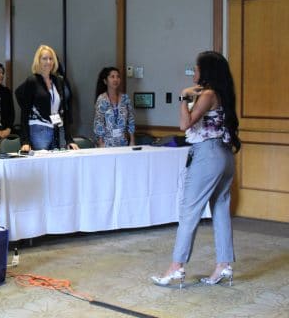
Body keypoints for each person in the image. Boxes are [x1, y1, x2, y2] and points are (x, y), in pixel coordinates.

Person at [151, 51, 241, 288]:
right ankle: (224, 264)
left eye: (196, 68)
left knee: (189, 212)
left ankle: (176, 267)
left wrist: (182, 97)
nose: (194, 72)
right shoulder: (221, 94)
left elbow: (184, 124)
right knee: (220, 208)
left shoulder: (208, 94)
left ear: (206, 71)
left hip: (207, 155)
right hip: (224, 154)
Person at [16, 45, 78, 151]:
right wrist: (25, 141)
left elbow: (65, 111)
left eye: (51, 59)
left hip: (58, 129)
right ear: (38, 61)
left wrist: (69, 139)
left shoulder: (59, 81)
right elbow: (24, 113)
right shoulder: (32, 81)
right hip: (39, 130)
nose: (48, 62)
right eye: (44, 58)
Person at [93, 67, 136, 147]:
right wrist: (101, 142)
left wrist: (132, 140)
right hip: (106, 143)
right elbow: (99, 122)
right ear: (105, 81)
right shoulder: (102, 99)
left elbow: (131, 120)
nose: (115, 79)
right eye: (112, 77)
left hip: (123, 142)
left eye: (118, 77)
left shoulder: (125, 98)